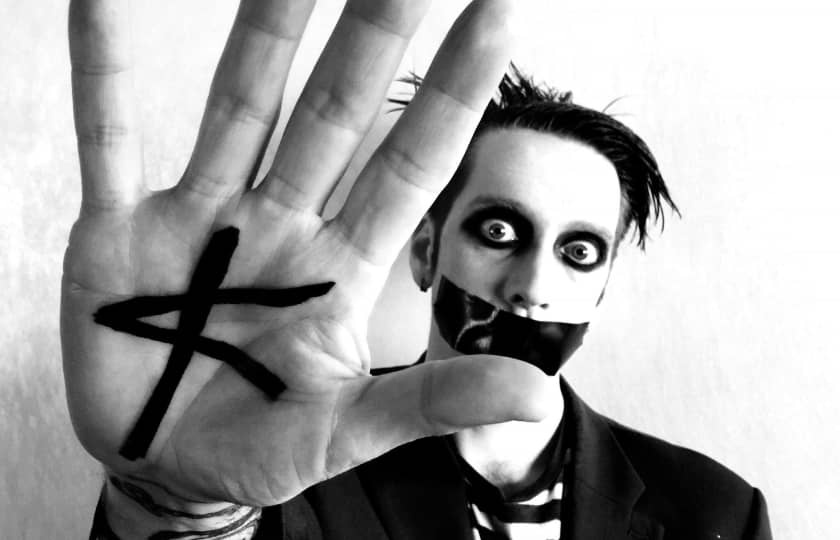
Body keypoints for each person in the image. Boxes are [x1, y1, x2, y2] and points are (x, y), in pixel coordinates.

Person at [63, 0, 772, 539]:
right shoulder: (287, 456)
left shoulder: (716, 512)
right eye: (500, 232)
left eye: (579, 253)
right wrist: (178, 504)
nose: (533, 286)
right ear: (427, 251)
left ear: (604, 287)